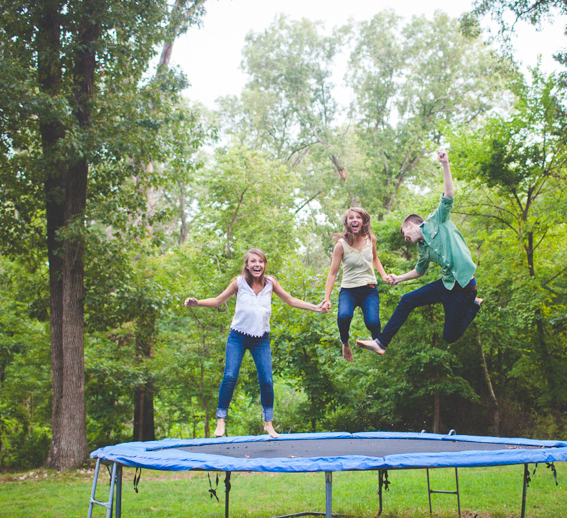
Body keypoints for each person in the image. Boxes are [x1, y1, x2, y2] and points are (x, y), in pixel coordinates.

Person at [184, 248, 326, 438]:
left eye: (260, 261)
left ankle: (268, 423)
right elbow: (218, 300)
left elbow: (290, 300)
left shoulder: (270, 283)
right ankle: (221, 420)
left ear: (265, 264)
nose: (257, 264)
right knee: (230, 376)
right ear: (247, 265)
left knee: (266, 380)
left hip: (261, 339)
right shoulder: (239, 283)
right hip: (238, 337)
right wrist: (198, 302)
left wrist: (316, 308)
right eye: (253, 261)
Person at [356, 149, 482, 355]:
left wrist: (445, 164)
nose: (405, 239)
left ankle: (474, 306)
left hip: (465, 287)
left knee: (449, 337)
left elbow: (449, 194)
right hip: (447, 284)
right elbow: (420, 271)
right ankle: (381, 343)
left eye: (405, 233)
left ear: (413, 225)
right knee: (407, 300)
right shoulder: (422, 248)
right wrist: (399, 279)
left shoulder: (437, 220)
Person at [319, 207, 393, 361]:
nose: (354, 220)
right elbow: (333, 273)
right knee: (344, 316)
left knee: (373, 321)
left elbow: (374, 258)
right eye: (351, 218)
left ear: (363, 221)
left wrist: (384, 275)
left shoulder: (371, 239)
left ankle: (378, 342)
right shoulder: (341, 245)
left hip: (369, 289)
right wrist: (327, 298)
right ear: (347, 222)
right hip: (349, 290)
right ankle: (345, 343)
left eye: (358, 217)